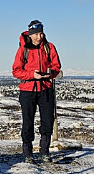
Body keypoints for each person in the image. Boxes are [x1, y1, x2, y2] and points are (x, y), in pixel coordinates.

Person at [12, 20, 61, 162]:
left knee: (48, 121)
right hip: (27, 90)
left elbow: (56, 66)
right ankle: (27, 153)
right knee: (28, 121)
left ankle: (44, 152)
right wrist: (31, 75)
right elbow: (16, 71)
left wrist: (49, 74)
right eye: (36, 34)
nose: (39, 37)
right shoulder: (23, 49)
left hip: (46, 89)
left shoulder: (49, 47)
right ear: (30, 34)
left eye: (41, 33)